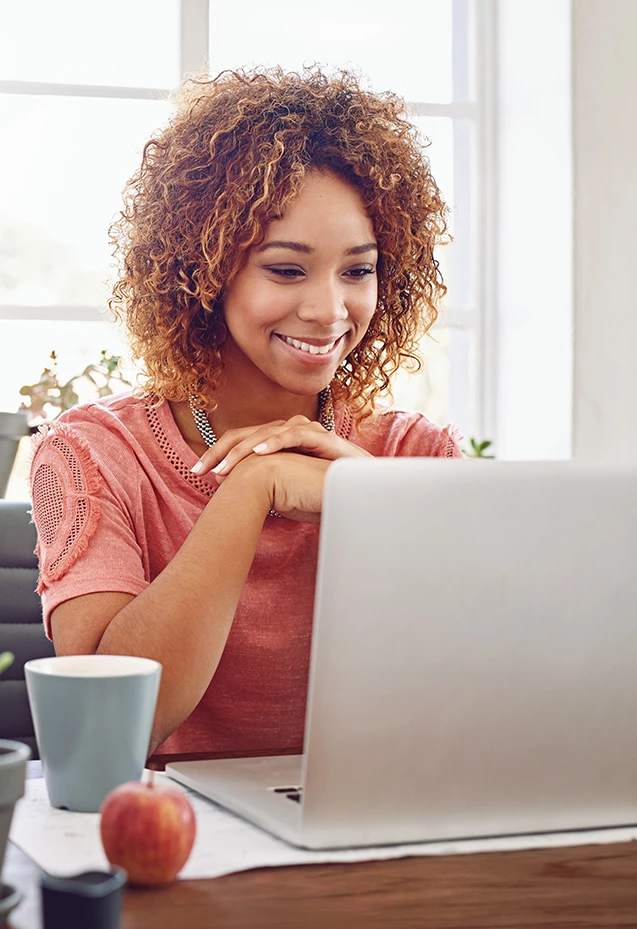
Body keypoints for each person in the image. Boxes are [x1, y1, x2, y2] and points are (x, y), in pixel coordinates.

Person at [29, 67, 463, 758]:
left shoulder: (417, 456)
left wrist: (373, 498)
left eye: (358, 270)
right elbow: (102, 732)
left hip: (379, 819)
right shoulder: (94, 453)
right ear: (202, 271)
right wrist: (252, 488)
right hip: (176, 822)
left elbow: (486, 693)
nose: (328, 310)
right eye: (286, 269)